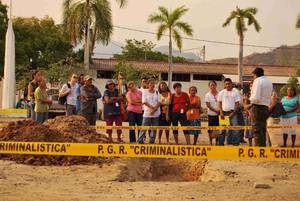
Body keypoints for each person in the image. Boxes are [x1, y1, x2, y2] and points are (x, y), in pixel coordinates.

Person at [250, 67, 273, 147]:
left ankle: (259, 149)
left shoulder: (257, 81)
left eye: (253, 75)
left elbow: (256, 98)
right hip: (265, 107)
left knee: (257, 129)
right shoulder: (269, 81)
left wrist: (250, 100)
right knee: (263, 129)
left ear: (255, 74)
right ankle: (263, 147)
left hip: (257, 107)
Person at [218, 78, 241, 146]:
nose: (228, 85)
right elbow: (219, 103)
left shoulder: (235, 92)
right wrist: (221, 112)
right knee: (222, 129)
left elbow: (237, 104)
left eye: (229, 84)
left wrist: (233, 113)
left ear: (232, 84)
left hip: (233, 113)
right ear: (224, 85)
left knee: (235, 129)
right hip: (224, 113)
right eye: (226, 84)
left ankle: (235, 144)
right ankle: (221, 144)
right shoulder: (221, 92)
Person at [138, 79, 161, 144]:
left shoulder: (157, 92)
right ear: (148, 84)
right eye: (150, 83)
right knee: (144, 127)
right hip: (147, 113)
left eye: (153, 83)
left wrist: (154, 109)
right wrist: (152, 108)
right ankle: (140, 140)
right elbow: (144, 101)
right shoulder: (145, 91)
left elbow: (159, 102)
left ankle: (152, 141)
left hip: (156, 113)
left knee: (154, 128)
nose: (152, 85)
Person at [205, 81, 220, 145]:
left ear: (216, 85)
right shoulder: (207, 95)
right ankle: (210, 142)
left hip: (219, 114)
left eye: (214, 85)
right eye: (211, 85)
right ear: (209, 86)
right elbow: (208, 105)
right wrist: (215, 110)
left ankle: (217, 142)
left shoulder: (219, 94)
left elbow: (222, 103)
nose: (212, 86)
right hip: (211, 114)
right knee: (210, 129)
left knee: (217, 129)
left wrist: (219, 111)